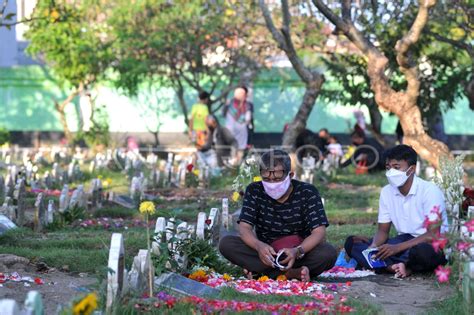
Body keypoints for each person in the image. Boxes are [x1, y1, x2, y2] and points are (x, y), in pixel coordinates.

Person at [219, 150, 337, 281]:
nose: (272, 184)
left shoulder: (307, 192)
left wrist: (297, 251)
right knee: (226, 244)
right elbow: (244, 228)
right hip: (266, 254)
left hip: (300, 253)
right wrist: (259, 246)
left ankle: (263, 272)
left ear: (290, 175)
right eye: (267, 179)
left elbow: (319, 232)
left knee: (328, 253)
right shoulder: (254, 190)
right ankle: (291, 274)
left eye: (277, 179)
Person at [344, 145, 448, 277]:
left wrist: (396, 248)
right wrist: (372, 247)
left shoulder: (429, 191)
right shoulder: (387, 192)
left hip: (426, 243)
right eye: (388, 168)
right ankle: (393, 267)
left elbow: (433, 234)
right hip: (403, 241)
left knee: (423, 253)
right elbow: (382, 231)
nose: (391, 172)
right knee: (353, 242)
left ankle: (390, 265)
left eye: (396, 167)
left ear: (412, 169)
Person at [223, 86, 253, 161]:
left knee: (236, 153)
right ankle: (234, 166)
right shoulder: (231, 103)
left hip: (236, 133)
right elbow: (248, 119)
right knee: (236, 153)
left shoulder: (246, 105)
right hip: (235, 133)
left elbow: (248, 119)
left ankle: (234, 167)